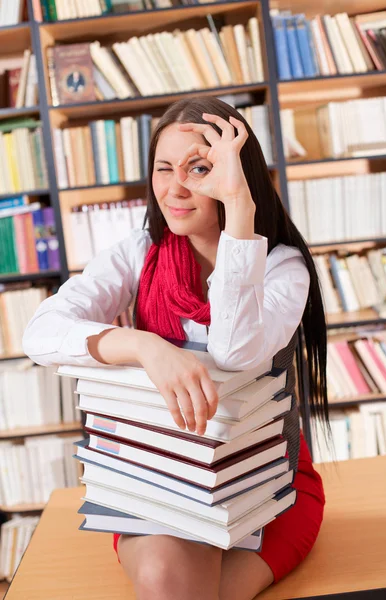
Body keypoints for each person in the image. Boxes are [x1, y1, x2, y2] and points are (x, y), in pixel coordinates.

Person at [23, 96, 329, 600]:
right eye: (164, 168)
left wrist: (239, 212)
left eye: (201, 168)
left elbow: (234, 352)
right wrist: (143, 345)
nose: (176, 187)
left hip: (266, 480)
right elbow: (40, 332)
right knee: (169, 578)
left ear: (236, 175)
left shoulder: (281, 267)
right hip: (156, 474)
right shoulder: (139, 252)